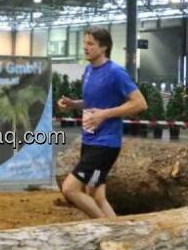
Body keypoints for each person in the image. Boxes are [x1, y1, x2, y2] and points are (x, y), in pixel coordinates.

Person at [56, 28, 146, 219]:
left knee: (70, 189)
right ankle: (121, 234)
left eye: (91, 44)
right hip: (89, 142)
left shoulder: (116, 72)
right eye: (85, 43)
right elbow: (93, 103)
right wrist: (74, 104)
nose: (85, 47)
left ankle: (106, 229)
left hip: (105, 146)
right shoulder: (89, 70)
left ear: (104, 47)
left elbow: (140, 103)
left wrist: (105, 114)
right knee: (96, 196)